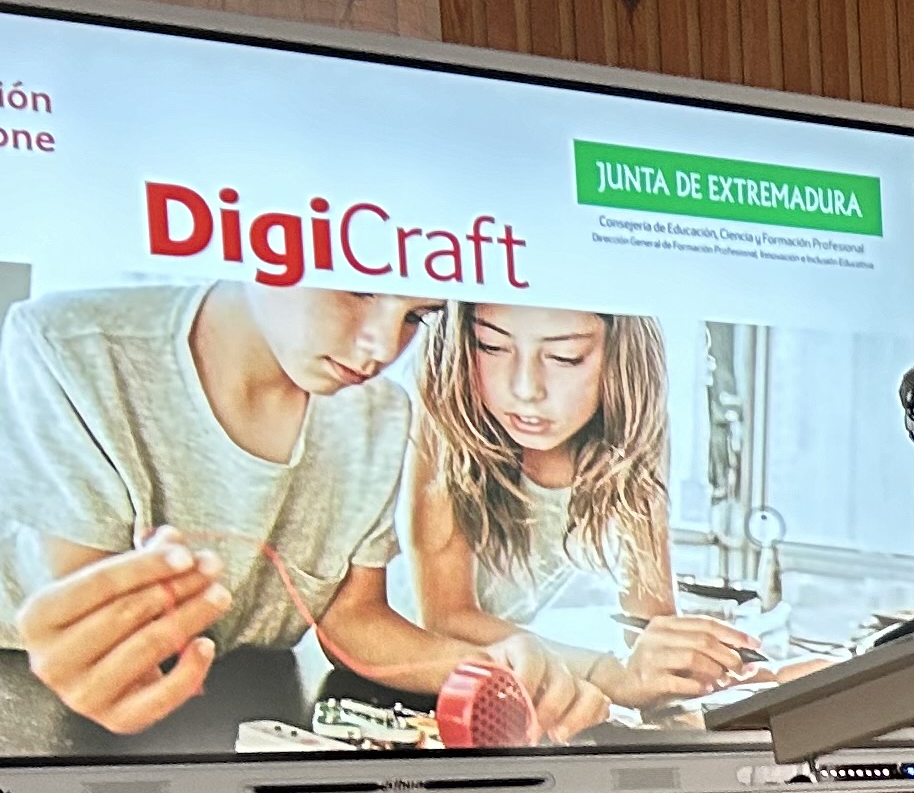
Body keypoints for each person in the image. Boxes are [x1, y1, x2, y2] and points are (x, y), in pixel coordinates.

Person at [0, 281, 616, 752]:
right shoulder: (68, 343)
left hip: (245, 697)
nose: (380, 347)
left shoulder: (378, 415)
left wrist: (498, 666)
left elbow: (351, 616)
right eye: (359, 290)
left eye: (415, 317)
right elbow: (87, 625)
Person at [402, 304, 757, 710]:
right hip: (420, 690)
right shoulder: (443, 415)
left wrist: (761, 676)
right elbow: (447, 618)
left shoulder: (632, 432)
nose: (525, 389)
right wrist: (609, 674)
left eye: (564, 357)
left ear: (620, 359)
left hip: (521, 693)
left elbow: (646, 621)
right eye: (492, 346)